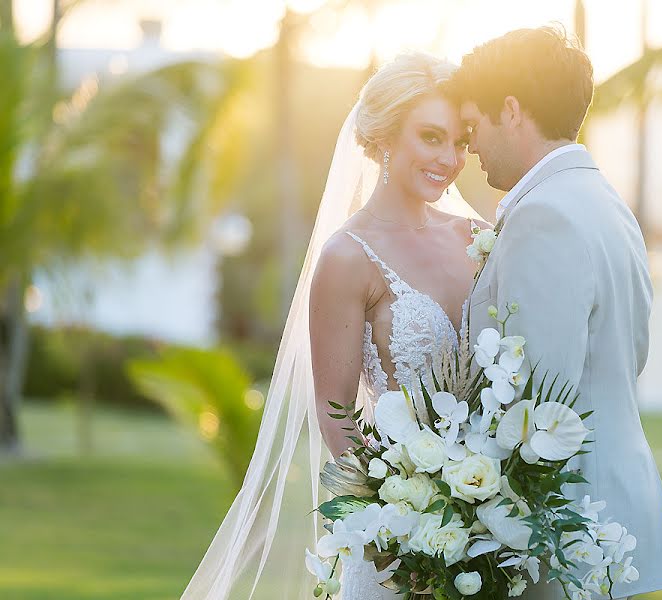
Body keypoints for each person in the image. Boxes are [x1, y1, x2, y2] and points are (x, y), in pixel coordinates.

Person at [181, 52, 486, 600]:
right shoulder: (348, 256)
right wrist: (395, 526)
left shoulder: (478, 237)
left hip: (491, 527)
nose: (451, 158)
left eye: (460, 142)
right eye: (432, 137)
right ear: (386, 138)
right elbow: (334, 411)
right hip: (402, 537)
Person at [450, 26, 662, 599]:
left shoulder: (543, 217)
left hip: (563, 529)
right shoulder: (606, 202)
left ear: (510, 110)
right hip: (614, 519)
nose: (470, 148)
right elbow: (630, 354)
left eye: (473, 127)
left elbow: (532, 402)